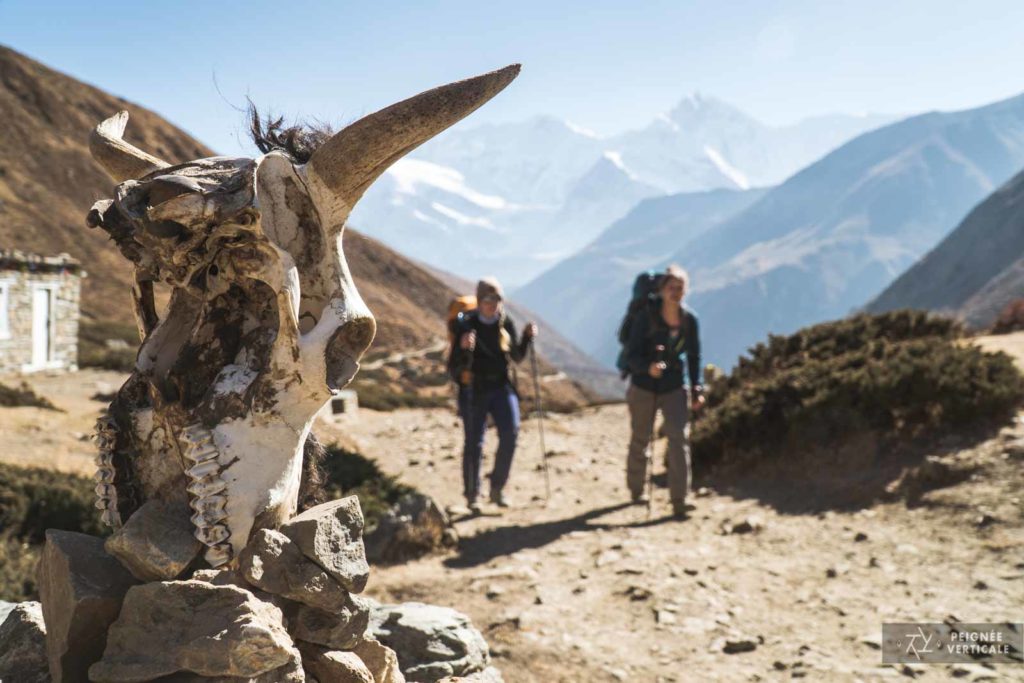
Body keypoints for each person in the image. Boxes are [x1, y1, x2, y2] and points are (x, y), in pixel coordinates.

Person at [450, 277, 538, 512]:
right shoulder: (465, 325)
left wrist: (527, 338)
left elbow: (516, 357)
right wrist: (462, 347)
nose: (492, 303)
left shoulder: (504, 322)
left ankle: (497, 488)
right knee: (474, 443)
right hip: (474, 389)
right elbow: (453, 366)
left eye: (497, 298)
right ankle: (473, 495)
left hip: (501, 386)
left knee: (510, 434)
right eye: (488, 299)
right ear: (479, 300)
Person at [624, 264, 703, 518]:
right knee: (641, 438)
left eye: (680, 288)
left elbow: (694, 356)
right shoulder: (645, 318)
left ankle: (680, 499)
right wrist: (648, 368)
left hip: (674, 387)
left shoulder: (690, 320)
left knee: (679, 440)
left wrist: (696, 387)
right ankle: (637, 489)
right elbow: (631, 355)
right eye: (672, 287)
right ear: (661, 290)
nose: (676, 292)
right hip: (644, 387)